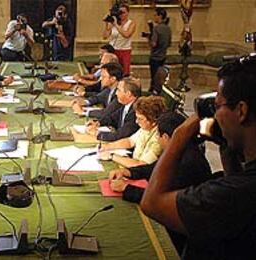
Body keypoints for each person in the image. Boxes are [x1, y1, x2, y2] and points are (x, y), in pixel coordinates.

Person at [141, 56, 256, 259]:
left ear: (241, 111)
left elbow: (152, 203)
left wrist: (179, 134)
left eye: (218, 105)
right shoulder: (241, 185)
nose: (216, 115)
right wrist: (226, 147)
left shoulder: (232, 194)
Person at [109, 112, 212, 254]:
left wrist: (126, 188)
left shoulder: (188, 162)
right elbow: (155, 168)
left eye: (158, 135)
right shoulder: (184, 150)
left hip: (180, 234)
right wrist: (129, 172)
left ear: (166, 137)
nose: (157, 139)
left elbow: (161, 200)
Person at [100, 96, 166, 168]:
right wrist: (107, 146)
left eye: (140, 119)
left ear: (154, 121)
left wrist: (111, 156)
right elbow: (129, 141)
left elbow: (141, 164)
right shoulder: (145, 128)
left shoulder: (159, 138)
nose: (136, 121)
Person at [87, 77, 141, 141]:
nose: (116, 93)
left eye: (119, 90)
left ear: (128, 94)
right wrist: (98, 123)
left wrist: (97, 133)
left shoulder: (136, 111)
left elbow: (120, 135)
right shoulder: (126, 105)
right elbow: (112, 118)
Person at [102, 4, 136, 76]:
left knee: (124, 72)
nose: (121, 14)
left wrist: (116, 25)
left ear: (128, 13)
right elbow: (105, 36)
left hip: (124, 50)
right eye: (120, 12)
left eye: (123, 12)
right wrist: (106, 24)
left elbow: (126, 35)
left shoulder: (131, 23)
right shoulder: (114, 22)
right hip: (113, 50)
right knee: (111, 72)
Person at [147, 8, 172, 93]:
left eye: (155, 15)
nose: (154, 17)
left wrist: (149, 39)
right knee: (160, 77)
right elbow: (169, 43)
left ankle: (153, 94)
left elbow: (153, 44)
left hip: (155, 57)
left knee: (154, 78)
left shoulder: (156, 28)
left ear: (160, 16)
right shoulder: (168, 29)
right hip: (163, 56)